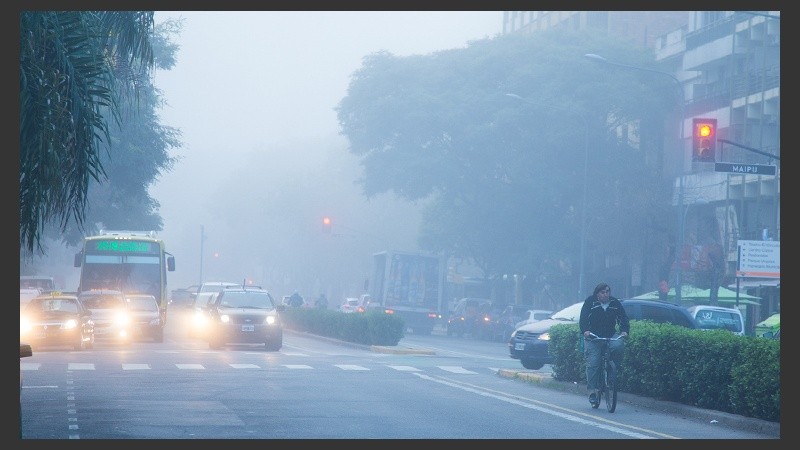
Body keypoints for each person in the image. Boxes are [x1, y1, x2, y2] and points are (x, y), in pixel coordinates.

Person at [579, 282, 629, 407]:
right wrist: (585, 331)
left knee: (619, 345)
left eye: (607, 292)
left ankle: (612, 372)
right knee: (593, 363)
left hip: (610, 335)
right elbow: (583, 318)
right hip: (593, 337)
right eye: (603, 292)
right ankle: (592, 392)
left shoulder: (614, 303)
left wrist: (624, 330)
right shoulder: (590, 302)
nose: (605, 294)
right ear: (597, 294)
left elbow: (623, 318)